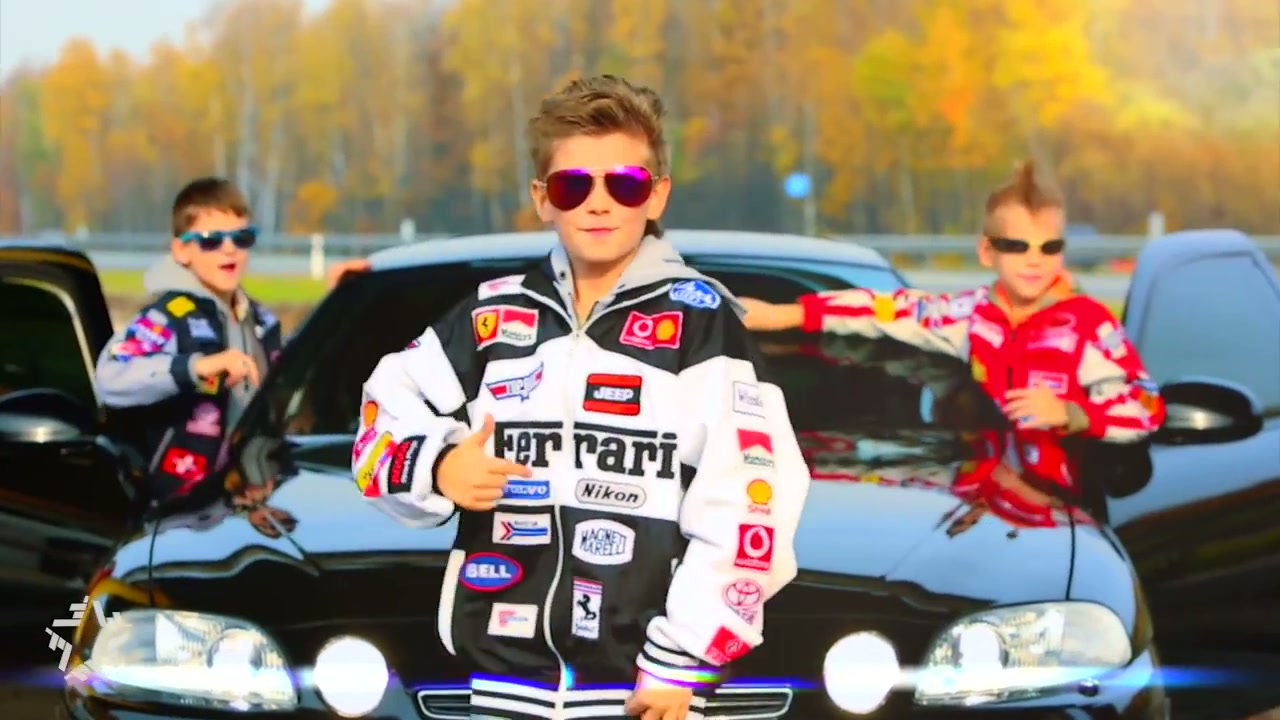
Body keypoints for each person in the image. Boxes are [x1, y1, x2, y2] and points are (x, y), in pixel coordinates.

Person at [354, 75, 810, 720]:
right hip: (500, 687)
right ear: (543, 199)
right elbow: (378, 418)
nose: (599, 204)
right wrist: (438, 464)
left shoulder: (703, 325)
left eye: (624, 184)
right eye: (574, 186)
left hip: (644, 691)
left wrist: (681, 661)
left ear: (657, 195)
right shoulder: (488, 318)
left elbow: (754, 501)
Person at [740, 160, 1165, 490]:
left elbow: (1147, 407)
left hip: (1063, 512)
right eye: (1016, 246)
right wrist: (782, 315)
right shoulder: (967, 314)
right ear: (987, 251)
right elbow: (883, 311)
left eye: (1048, 247)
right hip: (978, 493)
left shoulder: (1089, 324)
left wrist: (1074, 414)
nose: (1034, 260)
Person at [95, 177, 282, 502]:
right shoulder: (168, 317)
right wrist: (197, 367)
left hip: (248, 500)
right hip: (178, 508)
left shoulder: (263, 321)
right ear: (182, 250)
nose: (229, 249)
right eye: (211, 241)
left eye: (242, 238)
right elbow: (110, 378)